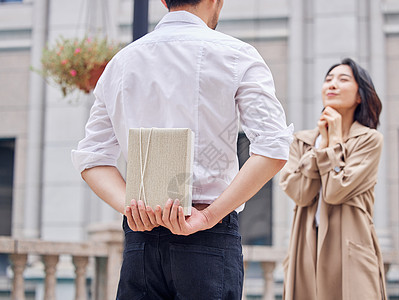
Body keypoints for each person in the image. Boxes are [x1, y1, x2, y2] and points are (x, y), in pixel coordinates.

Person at [71, 0, 293, 299]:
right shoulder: (237, 55)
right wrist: (209, 216)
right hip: (207, 236)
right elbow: (273, 147)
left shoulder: (122, 62)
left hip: (142, 239)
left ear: (163, 1)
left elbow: (92, 158)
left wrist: (133, 208)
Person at [280, 58, 387, 300]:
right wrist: (322, 145)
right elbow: (299, 192)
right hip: (306, 247)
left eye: (343, 79)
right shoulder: (301, 141)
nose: (332, 85)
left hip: (351, 248)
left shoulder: (369, 140)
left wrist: (334, 144)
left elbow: (335, 191)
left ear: (360, 95)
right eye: (328, 79)